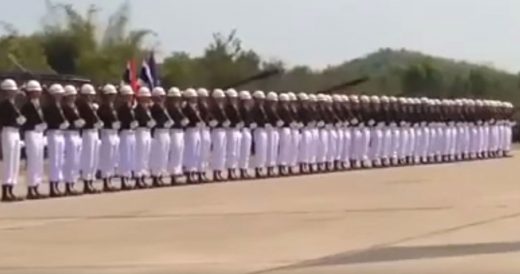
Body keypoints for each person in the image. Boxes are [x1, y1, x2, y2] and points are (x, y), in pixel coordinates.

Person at [21, 80, 47, 199]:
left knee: (38, 160)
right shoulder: (26, 106)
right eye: (35, 92)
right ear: (30, 93)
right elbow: (24, 122)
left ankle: (36, 186)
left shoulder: (38, 105)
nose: (38, 94)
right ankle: (31, 188)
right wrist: (33, 126)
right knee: (32, 160)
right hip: (31, 133)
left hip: (39, 133)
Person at [0, 79, 26, 201]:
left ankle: (11, 188)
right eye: (10, 91)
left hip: (15, 132)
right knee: (9, 161)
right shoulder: (5, 104)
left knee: (15, 161)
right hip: (8, 131)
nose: (12, 93)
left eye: (13, 91)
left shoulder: (13, 104)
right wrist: (17, 119)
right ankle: (5, 190)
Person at [43, 83, 68, 197]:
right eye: (57, 94)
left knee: (60, 160)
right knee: (54, 160)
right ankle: (53, 186)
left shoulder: (60, 106)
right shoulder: (49, 107)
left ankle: (57, 184)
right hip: (53, 133)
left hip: (60, 133)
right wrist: (58, 124)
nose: (59, 96)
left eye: (60, 94)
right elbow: (50, 121)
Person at [77, 84, 103, 194]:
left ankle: (91, 179)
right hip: (87, 132)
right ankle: (87, 181)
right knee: (88, 157)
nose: (91, 97)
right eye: (88, 95)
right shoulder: (82, 106)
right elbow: (87, 118)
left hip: (94, 132)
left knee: (94, 157)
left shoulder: (91, 105)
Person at [61, 85, 84, 196]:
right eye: (70, 95)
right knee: (69, 160)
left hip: (76, 133)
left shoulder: (75, 106)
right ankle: (68, 184)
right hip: (69, 134)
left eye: (74, 95)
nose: (73, 97)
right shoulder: (64, 107)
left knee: (75, 160)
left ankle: (72, 183)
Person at [97, 84, 120, 191]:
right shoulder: (103, 108)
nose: (113, 97)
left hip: (114, 133)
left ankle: (110, 179)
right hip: (107, 133)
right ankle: (106, 180)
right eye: (110, 95)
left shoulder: (112, 106)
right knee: (107, 158)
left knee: (112, 158)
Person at [150, 86, 173, 187]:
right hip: (159, 132)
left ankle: (160, 175)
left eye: (163, 96)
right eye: (160, 96)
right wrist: (163, 123)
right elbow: (157, 120)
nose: (162, 98)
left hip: (165, 132)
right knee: (158, 154)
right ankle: (156, 176)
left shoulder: (163, 107)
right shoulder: (155, 107)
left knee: (164, 154)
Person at [117, 85, 138, 190]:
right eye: (127, 96)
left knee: (131, 156)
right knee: (125, 157)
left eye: (130, 96)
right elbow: (122, 121)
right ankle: (123, 180)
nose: (129, 97)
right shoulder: (122, 108)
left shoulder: (132, 107)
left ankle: (129, 177)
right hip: (125, 133)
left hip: (132, 133)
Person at [134, 86, 155, 188]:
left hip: (147, 132)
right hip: (140, 132)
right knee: (140, 155)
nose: (147, 99)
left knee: (146, 155)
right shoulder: (137, 109)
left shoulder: (148, 108)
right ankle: (138, 177)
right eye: (144, 97)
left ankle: (143, 175)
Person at [166, 87, 188, 184]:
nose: (176, 99)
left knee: (179, 151)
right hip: (173, 131)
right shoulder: (169, 108)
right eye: (174, 98)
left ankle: (178, 171)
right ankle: (173, 174)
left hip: (180, 131)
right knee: (174, 152)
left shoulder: (179, 108)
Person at [182, 88, 203, 183]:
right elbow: (187, 119)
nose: (194, 99)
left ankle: (194, 171)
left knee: (197, 152)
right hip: (190, 131)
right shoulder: (186, 107)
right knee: (190, 152)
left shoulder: (197, 107)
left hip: (197, 131)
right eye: (192, 97)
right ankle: (189, 172)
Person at [209, 89, 228, 181]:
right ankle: (215, 172)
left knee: (222, 152)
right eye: (219, 98)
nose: (221, 100)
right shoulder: (212, 108)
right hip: (216, 130)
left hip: (223, 130)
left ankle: (220, 170)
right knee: (217, 151)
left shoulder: (223, 107)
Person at [224, 88, 242, 180]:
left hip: (236, 130)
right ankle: (230, 170)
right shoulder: (227, 108)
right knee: (231, 151)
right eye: (232, 98)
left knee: (236, 151)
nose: (234, 100)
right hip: (230, 130)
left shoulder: (236, 107)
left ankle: (234, 169)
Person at [251, 90, 268, 178]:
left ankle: (260, 167)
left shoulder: (263, 108)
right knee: (258, 149)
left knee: (263, 150)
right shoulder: (254, 109)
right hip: (258, 130)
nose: (261, 101)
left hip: (263, 130)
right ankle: (257, 169)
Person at [197, 88, 212, 182]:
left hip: (206, 129)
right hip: (200, 130)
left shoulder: (206, 105)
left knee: (205, 151)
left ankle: (203, 171)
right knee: (200, 151)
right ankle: (199, 172)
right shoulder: (198, 106)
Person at [238, 90, 254, 179]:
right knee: (243, 151)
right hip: (243, 130)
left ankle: (245, 169)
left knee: (246, 151)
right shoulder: (241, 109)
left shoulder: (248, 109)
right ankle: (242, 170)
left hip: (248, 130)